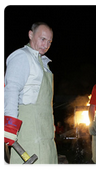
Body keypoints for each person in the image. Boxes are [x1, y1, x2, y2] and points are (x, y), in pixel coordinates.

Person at [2, 22, 58, 165]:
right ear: (31, 35)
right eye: (42, 39)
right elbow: (11, 89)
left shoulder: (43, 63)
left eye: (49, 41)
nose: (46, 45)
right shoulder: (22, 56)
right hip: (29, 130)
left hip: (45, 133)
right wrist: (10, 125)